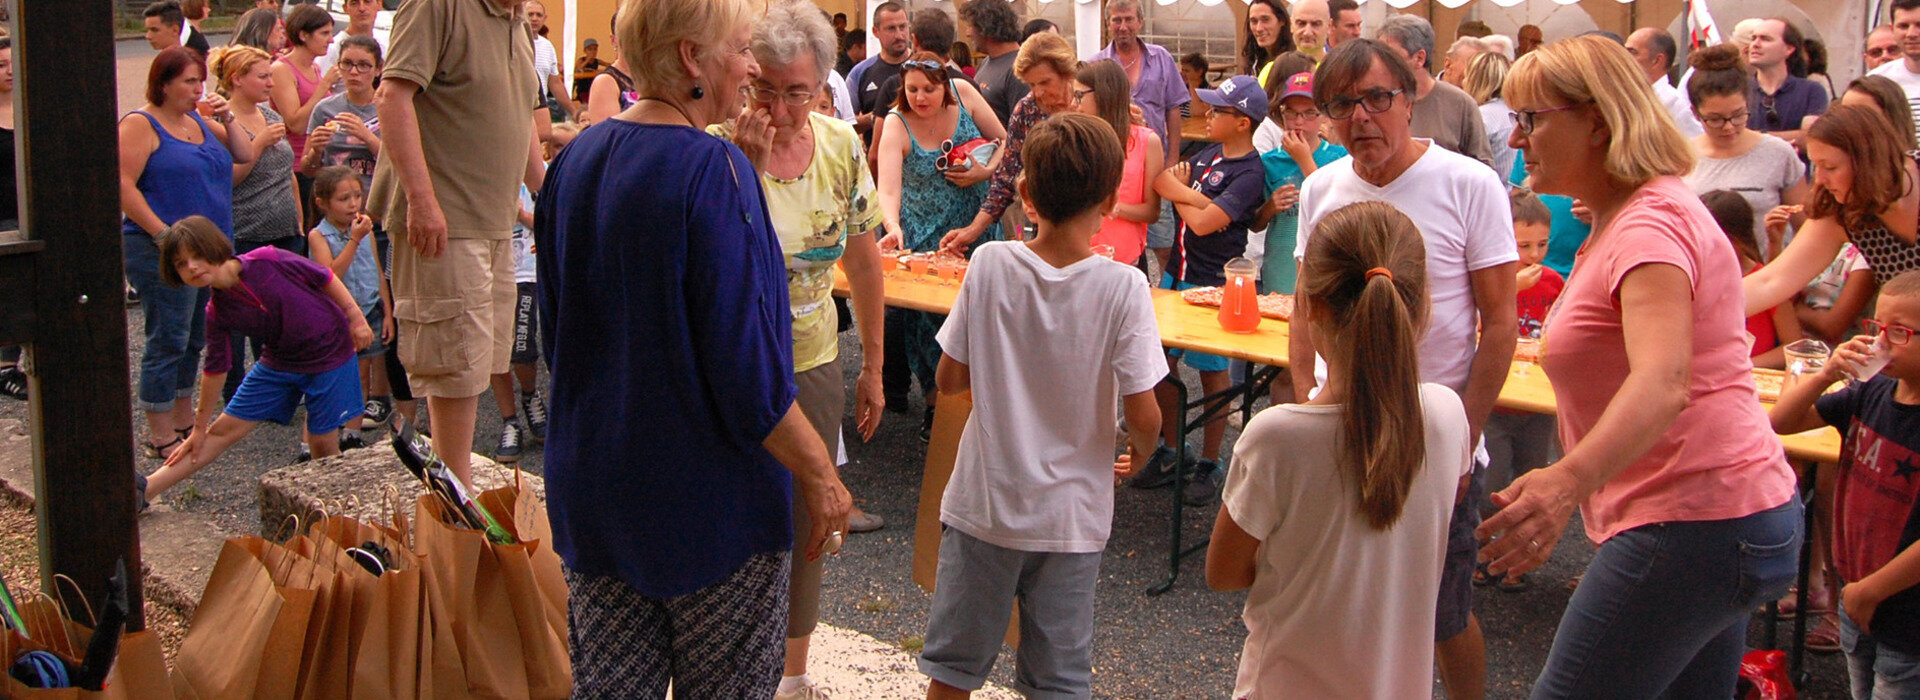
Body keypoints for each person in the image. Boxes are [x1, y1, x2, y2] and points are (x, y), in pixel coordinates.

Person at [534, 0, 853, 693]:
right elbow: (750, 375)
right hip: (708, 509)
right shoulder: (714, 168)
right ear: (690, 59)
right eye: (740, 50)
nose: (749, 67)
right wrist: (821, 477)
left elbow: (559, 337)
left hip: (595, 491)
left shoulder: (576, 159)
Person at [1482, 35, 1803, 697]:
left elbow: (1664, 382)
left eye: (1532, 119)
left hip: (1696, 523)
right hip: (1727, 520)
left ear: (1597, 119)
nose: (1517, 139)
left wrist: (1563, 482)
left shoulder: (1646, 225)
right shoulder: (1630, 212)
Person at [1291, 38, 1517, 700]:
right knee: (1341, 599)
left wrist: (1464, 440)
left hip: (1436, 437)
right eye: (1341, 104)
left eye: (1377, 98)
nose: (1360, 117)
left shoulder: (1470, 185)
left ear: (1410, 101)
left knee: (1442, 615)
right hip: (1342, 428)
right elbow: (1305, 312)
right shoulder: (1321, 189)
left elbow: (1500, 323)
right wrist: (1307, 402)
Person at [920, 112, 1164, 700]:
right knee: (1057, 680)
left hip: (987, 504)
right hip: (1072, 519)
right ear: (1110, 198)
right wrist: (1137, 452)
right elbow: (1146, 415)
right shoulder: (1124, 287)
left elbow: (950, 379)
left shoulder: (992, 264)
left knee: (953, 670)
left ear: (1025, 194)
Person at [1208, 200, 1473, 700]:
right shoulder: (1447, 415)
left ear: (1310, 307)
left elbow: (1224, 573)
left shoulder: (1277, 436)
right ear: (1421, 308)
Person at [712, 5, 892, 695]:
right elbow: (718, 262)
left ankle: (793, 674)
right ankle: (724, 657)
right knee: (728, 507)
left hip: (812, 355)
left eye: (799, 92)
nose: (781, 108)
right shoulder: (713, 145)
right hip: (730, 362)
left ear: (824, 85)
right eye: (766, 89)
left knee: (809, 513)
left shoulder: (841, 144)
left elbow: (865, 262)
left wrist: (872, 365)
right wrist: (746, 168)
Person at [370, 0, 546, 489]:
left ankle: (455, 495)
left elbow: (521, 118)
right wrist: (422, 202)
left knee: (483, 359)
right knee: (455, 369)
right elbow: (392, 97)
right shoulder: (437, 5)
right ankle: (454, 498)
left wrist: (545, 197)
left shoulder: (516, 22)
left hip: (494, 222)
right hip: (445, 222)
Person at [142, 215, 373, 506]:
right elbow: (215, 370)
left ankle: (338, 512)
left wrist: (355, 318)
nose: (192, 267)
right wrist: (198, 428)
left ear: (214, 247)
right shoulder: (216, 311)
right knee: (221, 430)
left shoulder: (267, 259)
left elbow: (324, 277)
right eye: (181, 264)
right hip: (279, 361)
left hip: (329, 354)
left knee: (322, 442)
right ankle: (145, 490)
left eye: (198, 256)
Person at [1771, 270, 1920, 700]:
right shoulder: (1872, 391)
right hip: (1857, 593)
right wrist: (1826, 374)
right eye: (1876, 327)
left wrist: (1868, 592)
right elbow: (1782, 422)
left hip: (1904, 613)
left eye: (1900, 332)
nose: (1881, 343)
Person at [119, 47, 259, 460]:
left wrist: (226, 116)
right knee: (168, 336)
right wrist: (164, 235)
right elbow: (123, 184)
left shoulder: (196, 120)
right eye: (188, 82)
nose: (197, 89)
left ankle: (183, 419)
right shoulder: (140, 124)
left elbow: (245, 153)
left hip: (210, 249)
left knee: (195, 336)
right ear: (162, 83)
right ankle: (159, 431)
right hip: (163, 249)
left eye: (200, 81)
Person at [1142, 74, 1269, 505]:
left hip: (1213, 284)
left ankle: (1211, 462)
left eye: (1220, 111)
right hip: (1176, 275)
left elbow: (1199, 221)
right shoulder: (1208, 154)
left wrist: (1185, 195)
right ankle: (1175, 449)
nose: (1209, 115)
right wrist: (1196, 198)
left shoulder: (1252, 173)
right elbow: (1161, 182)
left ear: (1243, 123)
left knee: (1212, 375)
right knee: (1159, 363)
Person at [876, 53, 1006, 432]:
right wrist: (891, 224)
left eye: (929, 89)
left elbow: (1005, 142)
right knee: (926, 328)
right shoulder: (897, 123)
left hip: (975, 231)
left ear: (945, 85)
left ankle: (981, 406)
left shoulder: (964, 93)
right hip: (925, 241)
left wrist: (986, 170)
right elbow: (888, 187)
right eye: (912, 89)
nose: (920, 97)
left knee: (980, 319)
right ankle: (936, 409)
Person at [1743, 105, 1920, 316]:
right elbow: (1771, 281)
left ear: (1867, 161)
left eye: (1830, 167)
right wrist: (1703, 310)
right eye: (1816, 166)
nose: (1820, 179)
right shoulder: (1842, 210)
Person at [1474, 192, 1557, 591]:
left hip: (1538, 401)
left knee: (1532, 477)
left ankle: (1516, 560)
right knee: (1490, 482)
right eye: (1523, 245)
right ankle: (1477, 552)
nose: (1534, 254)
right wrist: (1509, 284)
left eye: (1542, 244)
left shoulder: (1553, 282)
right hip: (1500, 398)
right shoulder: (1490, 280)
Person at [940, 32, 1076, 254]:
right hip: (1032, 222)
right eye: (1031, 84)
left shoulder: (1089, 103)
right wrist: (972, 230)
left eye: (1045, 82)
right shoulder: (1026, 109)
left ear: (1066, 73)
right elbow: (1006, 177)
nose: (1038, 92)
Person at [1682, 45, 1808, 259]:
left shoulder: (1778, 153)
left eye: (1738, 115)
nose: (1729, 127)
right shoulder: (1682, 156)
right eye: (1715, 119)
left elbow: (1804, 227)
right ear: (1695, 113)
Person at [1089, 0, 1188, 271]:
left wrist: (1173, 157)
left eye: (1129, 19)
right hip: (1118, 162)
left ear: (1140, 22)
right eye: (1116, 20)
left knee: (1164, 237)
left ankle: (1167, 286)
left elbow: (1174, 108)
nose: (1123, 26)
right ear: (1107, 24)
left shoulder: (1161, 57)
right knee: (1115, 228)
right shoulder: (1096, 65)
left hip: (1155, 160)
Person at [305, 166, 390, 448]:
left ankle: (352, 434)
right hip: (336, 317)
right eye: (344, 199)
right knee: (328, 378)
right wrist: (354, 240)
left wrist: (387, 312)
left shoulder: (366, 228)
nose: (354, 204)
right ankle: (313, 440)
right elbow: (329, 275)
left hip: (369, 310)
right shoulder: (320, 236)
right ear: (322, 203)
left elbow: (378, 271)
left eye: (357, 196)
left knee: (360, 374)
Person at [1251, 70, 1344, 294]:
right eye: (1291, 114)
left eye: (1309, 113)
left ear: (1324, 115)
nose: (1299, 122)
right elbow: (1254, 223)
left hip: (1325, 268)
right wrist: (1270, 206)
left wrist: (1304, 159)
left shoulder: (1340, 158)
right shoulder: (1269, 161)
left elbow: (1338, 212)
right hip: (1280, 268)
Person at [1374, 15, 1496, 171]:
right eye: (1379, 56)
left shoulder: (1460, 104)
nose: (1382, 64)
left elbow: (1484, 169)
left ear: (1419, 58)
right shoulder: (1373, 102)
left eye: (1391, 57)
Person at [1703, 189, 1804, 369]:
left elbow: (1793, 345)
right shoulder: (1694, 281)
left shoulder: (1764, 281)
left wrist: (1743, 366)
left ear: (1738, 240)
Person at [1076, 60, 1160, 268]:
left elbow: (1152, 211)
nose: (1074, 103)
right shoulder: (1075, 137)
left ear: (1104, 94)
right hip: (1077, 258)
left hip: (1125, 261)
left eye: (1079, 96)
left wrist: (1112, 207)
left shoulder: (1147, 141)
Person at [272, 4, 340, 225]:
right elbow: (296, 123)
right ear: (303, 35)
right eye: (324, 33)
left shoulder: (315, 68)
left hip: (320, 160)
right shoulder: (282, 70)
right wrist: (324, 87)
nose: (330, 40)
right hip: (296, 165)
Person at [302, 35, 383, 189]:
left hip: (376, 200)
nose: (354, 72)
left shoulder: (389, 109)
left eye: (364, 65)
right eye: (347, 63)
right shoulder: (324, 109)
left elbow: (401, 165)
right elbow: (307, 170)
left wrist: (367, 137)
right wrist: (316, 151)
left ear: (378, 69)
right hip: (334, 199)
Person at [1748, 18, 1826, 146]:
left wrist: (1754, 138)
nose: (1755, 44)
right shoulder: (1737, 90)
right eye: (1753, 38)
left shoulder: (1811, 91)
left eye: (1766, 39)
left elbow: (1811, 139)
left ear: (1789, 49)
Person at [848, 2, 912, 139]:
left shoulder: (925, 67)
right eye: (891, 29)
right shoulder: (860, 73)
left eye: (903, 27)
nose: (899, 35)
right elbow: (844, 124)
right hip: (877, 158)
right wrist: (876, 117)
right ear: (875, 32)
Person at [1624, 27, 1704, 138]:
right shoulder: (1629, 96)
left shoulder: (1675, 105)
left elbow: (1694, 147)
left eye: (1633, 52)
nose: (1624, 57)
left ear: (1657, 61)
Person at [960, 0, 1028, 128]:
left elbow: (1022, 128)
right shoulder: (985, 63)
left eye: (971, 26)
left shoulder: (1019, 69)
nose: (968, 33)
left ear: (986, 28)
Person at [1461, 52, 1518, 183]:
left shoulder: (1478, 117)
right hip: (1518, 197)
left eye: (1466, 76)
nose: (1463, 82)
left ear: (1474, 81)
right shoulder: (1519, 114)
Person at [524, 0, 580, 123]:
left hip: (540, 110)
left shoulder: (547, 46)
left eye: (539, 15)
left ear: (544, 18)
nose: (534, 18)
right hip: (519, 109)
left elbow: (555, 83)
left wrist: (574, 112)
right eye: (530, 14)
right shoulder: (513, 42)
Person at [1875, 0, 1920, 146]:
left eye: (1919, 25)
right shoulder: (1877, 82)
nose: (1911, 34)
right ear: (1892, 29)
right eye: (1903, 26)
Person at [586, 14, 637, 123]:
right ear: (614, 40)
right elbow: (606, 136)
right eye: (628, 34)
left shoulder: (655, 77)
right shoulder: (606, 82)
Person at [316, 0, 384, 79]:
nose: (362, 8)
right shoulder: (332, 49)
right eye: (354, 3)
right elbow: (321, 88)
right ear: (345, 8)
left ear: (379, 4)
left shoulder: (385, 44)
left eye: (367, 2)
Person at [1241, 0, 1293, 80]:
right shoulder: (1254, 60)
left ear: (1282, 21)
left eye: (1265, 20)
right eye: (1254, 21)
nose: (1259, 28)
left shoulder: (1294, 62)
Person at [574, 38, 605, 103]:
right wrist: (587, 60)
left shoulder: (596, 61)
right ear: (585, 51)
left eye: (595, 49)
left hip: (593, 87)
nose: (593, 52)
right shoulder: (581, 60)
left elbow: (608, 65)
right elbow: (578, 68)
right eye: (590, 50)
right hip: (583, 89)